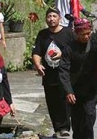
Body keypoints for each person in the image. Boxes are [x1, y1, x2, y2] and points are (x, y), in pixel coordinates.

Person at [58, 18, 97, 139]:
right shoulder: (69, 49)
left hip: (92, 89)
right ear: (76, 34)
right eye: (82, 34)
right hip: (75, 90)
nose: (86, 37)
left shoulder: (95, 40)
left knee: (89, 116)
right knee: (77, 120)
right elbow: (63, 71)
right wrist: (68, 91)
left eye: (88, 33)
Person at [32, 7, 75, 138]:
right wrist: (38, 64)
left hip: (65, 75)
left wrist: (63, 54)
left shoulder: (68, 33)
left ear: (59, 18)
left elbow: (75, 50)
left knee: (65, 101)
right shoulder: (42, 34)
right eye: (49, 16)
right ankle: (57, 128)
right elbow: (36, 52)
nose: (51, 19)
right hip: (49, 76)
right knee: (52, 102)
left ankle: (65, 127)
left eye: (54, 16)